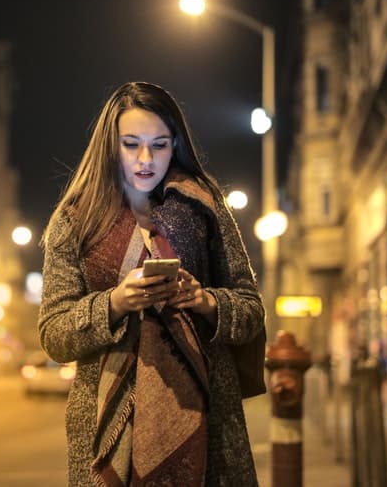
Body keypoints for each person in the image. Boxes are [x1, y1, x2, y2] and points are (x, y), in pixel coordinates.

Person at [39, 81, 266, 486]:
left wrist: (205, 300)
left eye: (159, 145)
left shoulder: (203, 206)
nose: (146, 159)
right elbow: (54, 334)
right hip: (107, 433)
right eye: (131, 144)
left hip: (208, 425)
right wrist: (115, 303)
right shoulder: (75, 220)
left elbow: (250, 308)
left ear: (175, 145)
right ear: (111, 145)